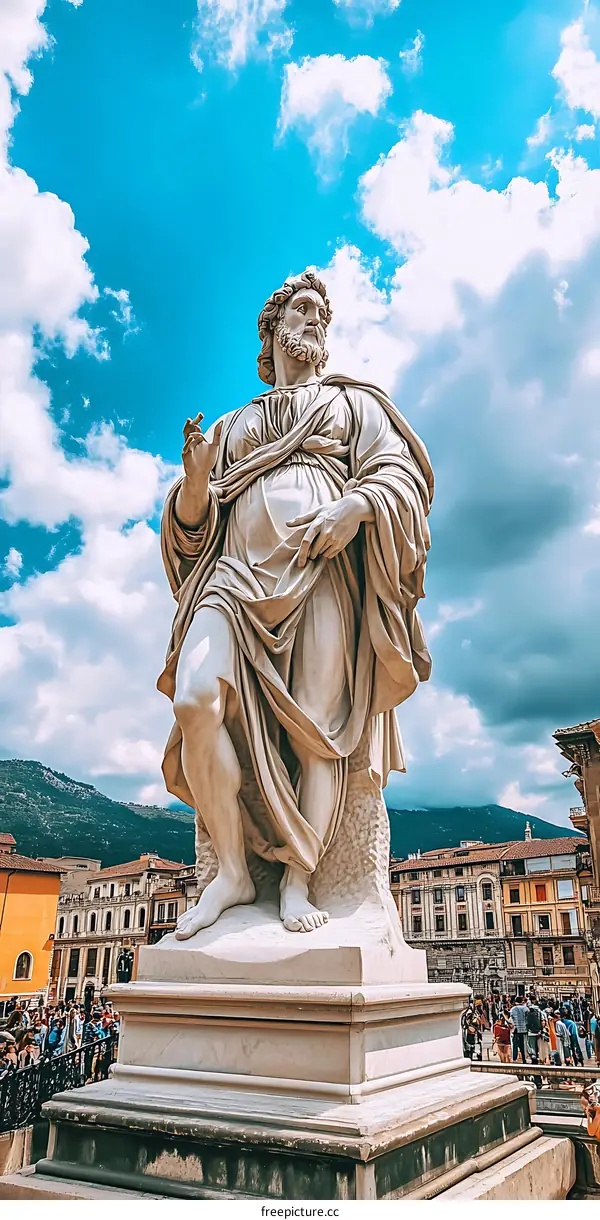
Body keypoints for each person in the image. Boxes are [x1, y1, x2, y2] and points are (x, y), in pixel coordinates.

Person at [160, 269, 434, 939]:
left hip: (321, 574)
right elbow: (192, 531)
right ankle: (231, 871)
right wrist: (195, 487)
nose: (316, 322)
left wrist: (357, 505)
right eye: (304, 310)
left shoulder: (353, 405)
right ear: (273, 328)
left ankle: (299, 879)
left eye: (323, 316)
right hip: (233, 581)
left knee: (319, 736)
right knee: (196, 700)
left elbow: (403, 475)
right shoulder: (233, 424)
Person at [509, 997, 529, 1062]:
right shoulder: (526, 1008)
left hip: (516, 1029)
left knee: (515, 1044)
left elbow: (510, 1019)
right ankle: (524, 1058)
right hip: (524, 1029)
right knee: (523, 1044)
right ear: (522, 1001)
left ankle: (514, 1058)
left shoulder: (513, 1009)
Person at [526, 998, 543, 1064]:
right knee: (537, 1045)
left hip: (531, 1033)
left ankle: (534, 1057)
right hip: (538, 1032)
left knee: (532, 1045)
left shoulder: (529, 1015)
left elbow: (528, 1024)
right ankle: (537, 1055)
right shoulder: (539, 1013)